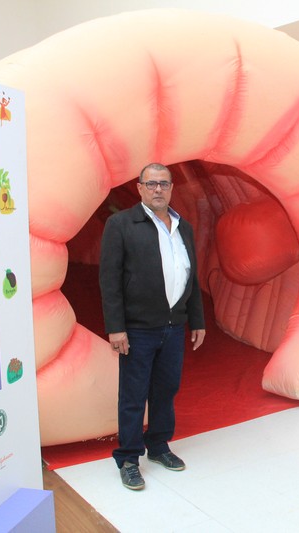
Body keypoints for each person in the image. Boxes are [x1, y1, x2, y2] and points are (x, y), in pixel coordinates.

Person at [99, 162, 206, 491]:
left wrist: (197, 320)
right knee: (133, 395)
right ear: (140, 188)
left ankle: (158, 446)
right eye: (151, 184)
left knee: (165, 389)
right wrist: (116, 328)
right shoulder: (121, 224)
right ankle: (129, 458)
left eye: (164, 183)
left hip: (174, 326)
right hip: (138, 329)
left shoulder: (182, 226)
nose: (158, 189)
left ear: (172, 188)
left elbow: (191, 276)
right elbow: (110, 280)